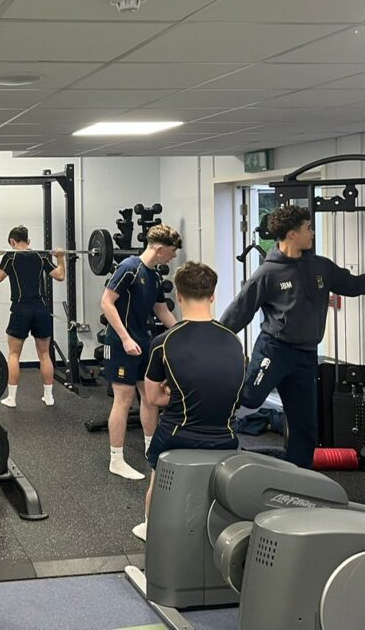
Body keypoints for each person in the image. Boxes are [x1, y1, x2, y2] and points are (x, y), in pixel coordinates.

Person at [220, 204, 365, 468]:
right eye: (308, 228)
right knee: (249, 398)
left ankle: (299, 474)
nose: (312, 232)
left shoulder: (320, 266)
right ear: (292, 234)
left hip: (306, 356)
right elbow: (239, 312)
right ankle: (211, 435)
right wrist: (212, 342)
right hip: (274, 350)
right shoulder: (267, 273)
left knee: (305, 425)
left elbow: (354, 285)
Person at [132, 261, 246, 541]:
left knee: (156, 484)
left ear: (179, 296)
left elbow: (153, 398)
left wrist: (173, 392)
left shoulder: (164, 341)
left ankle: (150, 530)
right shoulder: (234, 340)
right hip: (225, 438)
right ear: (213, 296)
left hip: (177, 437)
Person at [100, 224, 181, 480]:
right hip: (121, 343)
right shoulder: (129, 267)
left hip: (144, 343)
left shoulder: (154, 276)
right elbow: (106, 302)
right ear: (159, 248)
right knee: (123, 399)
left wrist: (185, 333)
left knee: (150, 396)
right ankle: (116, 459)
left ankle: (150, 449)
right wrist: (125, 338)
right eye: (172, 251)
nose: (174, 256)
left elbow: (162, 310)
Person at [0, 226, 66, 408]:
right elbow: (60, 275)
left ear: (12, 242)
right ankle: (49, 397)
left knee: (14, 354)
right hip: (41, 309)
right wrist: (60, 257)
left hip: (20, 309)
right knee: (45, 354)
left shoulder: (10, 257)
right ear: (28, 241)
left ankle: (12, 399)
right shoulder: (41, 256)